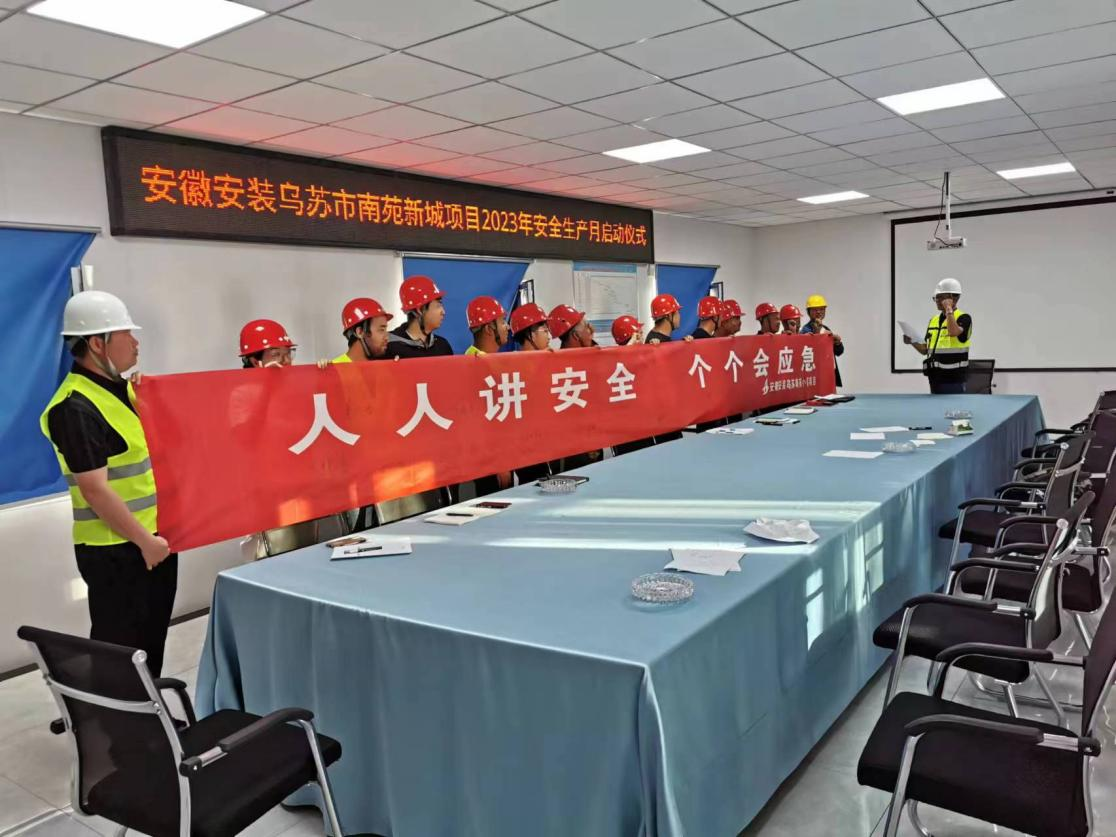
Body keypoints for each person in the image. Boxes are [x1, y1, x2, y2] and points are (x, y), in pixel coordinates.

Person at [40, 291, 176, 677]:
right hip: (118, 551)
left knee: (149, 648)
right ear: (97, 344)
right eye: (125, 334)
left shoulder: (126, 391)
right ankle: (116, 717)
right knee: (121, 653)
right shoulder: (75, 407)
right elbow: (95, 489)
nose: (135, 342)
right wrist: (145, 542)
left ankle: (148, 712)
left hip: (152, 542)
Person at [509, 303, 553, 483]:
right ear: (530, 334)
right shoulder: (512, 367)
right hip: (527, 447)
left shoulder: (549, 361)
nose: (549, 336)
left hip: (550, 442)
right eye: (544, 330)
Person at [905, 277, 972, 395]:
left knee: (952, 406)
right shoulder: (934, 320)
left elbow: (953, 332)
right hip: (935, 377)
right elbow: (926, 350)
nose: (936, 300)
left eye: (940, 297)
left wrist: (949, 310)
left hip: (954, 379)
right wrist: (912, 341)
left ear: (953, 298)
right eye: (935, 297)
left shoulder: (964, 318)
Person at [385, 275, 453, 359]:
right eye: (438, 305)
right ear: (420, 310)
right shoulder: (388, 347)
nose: (443, 312)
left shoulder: (443, 347)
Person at [800, 294, 843, 388]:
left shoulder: (826, 329)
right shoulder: (805, 330)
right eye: (815, 310)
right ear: (809, 312)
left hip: (829, 374)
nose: (819, 312)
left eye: (822, 309)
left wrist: (837, 342)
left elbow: (839, 352)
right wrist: (819, 334)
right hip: (815, 376)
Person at [334, 298, 391, 363]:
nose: (387, 337)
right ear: (360, 332)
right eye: (381, 330)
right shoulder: (335, 367)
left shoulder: (380, 365)